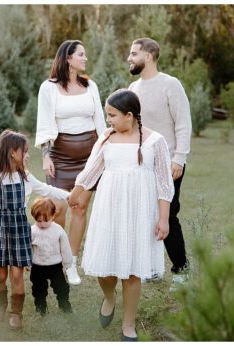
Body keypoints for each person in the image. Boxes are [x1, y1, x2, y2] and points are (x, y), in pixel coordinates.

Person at [69, 89, 173, 341]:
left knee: (133, 271)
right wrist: (76, 191)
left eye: (112, 115)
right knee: (106, 270)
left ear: (129, 115)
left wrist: (163, 218)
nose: (109, 120)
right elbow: (91, 170)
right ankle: (109, 296)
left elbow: (164, 183)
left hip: (140, 212)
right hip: (110, 208)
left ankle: (128, 323)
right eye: (107, 115)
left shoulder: (155, 141)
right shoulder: (106, 138)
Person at [0, 130, 70, 329]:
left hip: (19, 229)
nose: (27, 155)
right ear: (12, 152)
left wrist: (69, 196)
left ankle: (16, 313)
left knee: (18, 275)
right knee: (0, 275)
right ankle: (0, 304)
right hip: (0, 229)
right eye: (25, 151)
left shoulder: (25, 177)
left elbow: (47, 190)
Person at [35, 39, 108, 286]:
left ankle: (71, 263)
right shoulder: (49, 88)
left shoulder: (90, 85)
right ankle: (55, 257)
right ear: (68, 58)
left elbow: (100, 121)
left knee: (80, 208)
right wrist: (45, 155)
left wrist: (105, 152)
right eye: (81, 54)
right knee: (59, 209)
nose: (85, 59)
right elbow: (45, 123)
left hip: (89, 156)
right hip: (60, 157)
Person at [125, 38, 192, 283]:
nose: (129, 58)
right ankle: (149, 268)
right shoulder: (133, 89)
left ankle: (182, 271)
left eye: (134, 54)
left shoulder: (170, 85)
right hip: (141, 163)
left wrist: (179, 158)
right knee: (143, 214)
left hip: (169, 162)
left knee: (169, 215)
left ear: (149, 56)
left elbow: (183, 123)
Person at [28, 197, 74, 315]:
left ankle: (64, 304)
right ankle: (40, 307)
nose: (42, 224)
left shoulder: (58, 230)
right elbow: (28, 248)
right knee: (38, 289)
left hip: (55, 266)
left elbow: (65, 247)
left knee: (62, 288)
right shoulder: (32, 231)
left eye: (45, 220)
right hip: (37, 267)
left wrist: (68, 263)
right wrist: (27, 263)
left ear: (53, 216)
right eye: (39, 221)